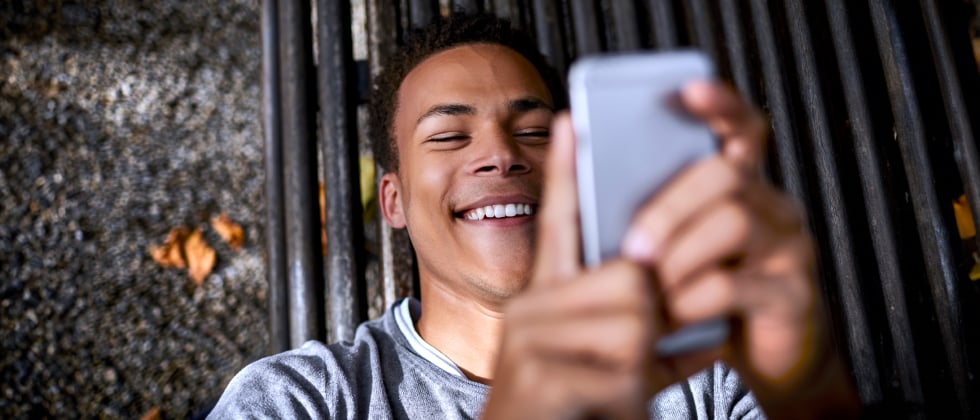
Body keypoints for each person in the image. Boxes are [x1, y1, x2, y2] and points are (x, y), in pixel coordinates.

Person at [210, 13, 860, 419]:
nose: (499, 155)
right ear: (394, 201)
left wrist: (809, 389)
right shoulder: (303, 402)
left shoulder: (708, 373)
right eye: (449, 137)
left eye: (535, 132)